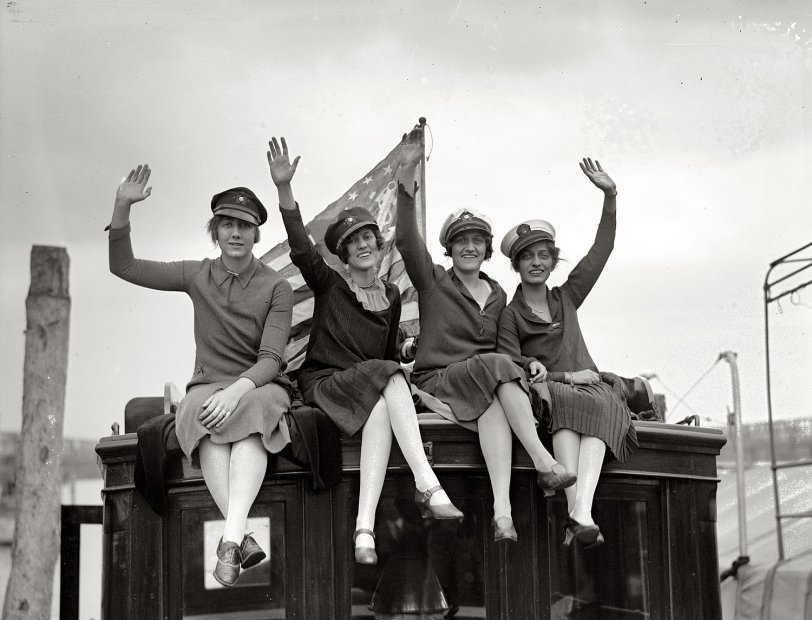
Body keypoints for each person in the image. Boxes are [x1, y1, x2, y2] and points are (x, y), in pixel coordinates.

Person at [266, 137, 463, 566]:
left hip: (365, 388)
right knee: (390, 375)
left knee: (381, 405)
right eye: (352, 241)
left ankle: (364, 529)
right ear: (343, 253)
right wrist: (284, 189)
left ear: (377, 244)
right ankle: (427, 483)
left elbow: (390, 349)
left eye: (368, 237)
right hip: (325, 383)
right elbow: (302, 246)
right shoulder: (330, 284)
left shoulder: (392, 295)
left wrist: (409, 345)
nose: (362, 245)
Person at [108, 164, 294, 586]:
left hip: (260, 384)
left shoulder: (276, 287)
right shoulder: (197, 274)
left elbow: (271, 359)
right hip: (209, 385)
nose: (235, 233)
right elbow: (125, 267)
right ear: (216, 230)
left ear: (256, 234)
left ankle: (229, 537)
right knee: (200, 414)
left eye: (245, 226)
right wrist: (122, 207)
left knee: (246, 415)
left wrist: (237, 392)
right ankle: (239, 538)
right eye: (227, 224)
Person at [394, 130, 576, 544]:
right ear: (449, 249)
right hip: (438, 380)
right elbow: (406, 239)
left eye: (477, 241)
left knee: (496, 406)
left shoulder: (497, 293)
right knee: (497, 367)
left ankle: (502, 515)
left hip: (483, 384)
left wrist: (529, 362)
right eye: (461, 242)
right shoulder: (433, 281)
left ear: (488, 250)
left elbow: (505, 351)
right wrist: (406, 171)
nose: (470, 248)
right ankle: (544, 460)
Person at [497, 157, 637, 548]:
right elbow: (511, 367)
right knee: (567, 404)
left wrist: (610, 196)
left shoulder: (568, 296)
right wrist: (564, 376)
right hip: (551, 395)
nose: (537, 262)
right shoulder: (510, 315)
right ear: (517, 265)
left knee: (605, 403)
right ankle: (578, 512)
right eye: (528, 256)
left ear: (553, 259)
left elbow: (602, 249)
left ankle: (579, 512)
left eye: (543, 255)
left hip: (592, 392)